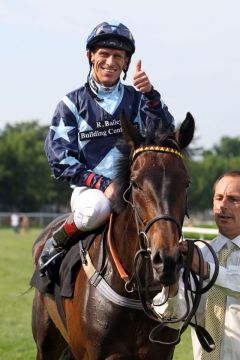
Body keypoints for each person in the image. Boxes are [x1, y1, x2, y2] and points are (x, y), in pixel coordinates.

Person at [39, 20, 175, 274]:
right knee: (95, 210)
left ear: (126, 62)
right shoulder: (70, 104)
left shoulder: (137, 99)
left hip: (134, 187)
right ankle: (57, 242)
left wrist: (151, 95)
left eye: (118, 56)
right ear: (90, 56)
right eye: (104, 54)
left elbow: (165, 135)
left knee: (166, 216)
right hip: (91, 190)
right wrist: (103, 184)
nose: (110, 62)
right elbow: (60, 159)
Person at [153, 170, 240, 360]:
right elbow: (175, 319)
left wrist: (207, 270)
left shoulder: (200, 262)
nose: (223, 205)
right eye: (219, 198)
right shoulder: (198, 254)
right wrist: (171, 280)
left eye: (233, 199)